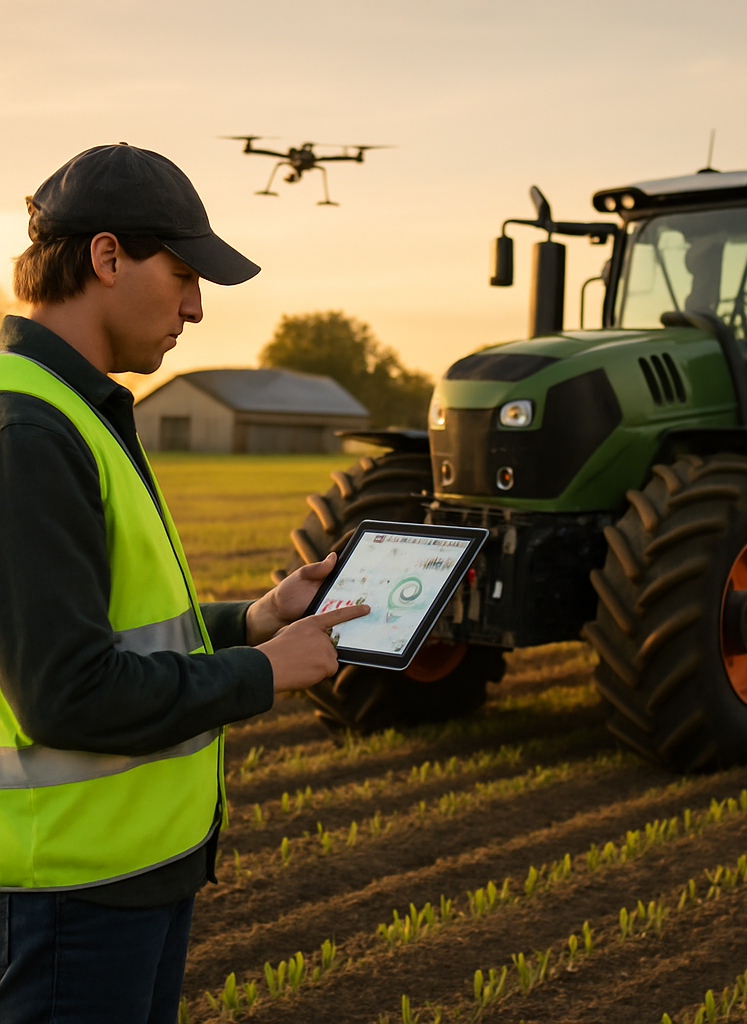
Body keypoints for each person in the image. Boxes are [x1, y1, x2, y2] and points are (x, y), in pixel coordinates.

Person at [0, 143, 369, 1023]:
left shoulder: (76, 410)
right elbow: (69, 694)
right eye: (185, 274)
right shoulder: (29, 432)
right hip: (68, 893)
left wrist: (253, 619)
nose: (197, 308)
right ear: (107, 256)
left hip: (126, 881)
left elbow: (114, 628)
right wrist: (269, 671)